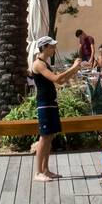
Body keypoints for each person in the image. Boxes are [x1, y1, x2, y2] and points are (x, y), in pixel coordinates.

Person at [29, 36, 86, 182]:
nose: (54, 49)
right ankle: (38, 172)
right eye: (52, 46)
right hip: (44, 104)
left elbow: (60, 81)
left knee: (50, 136)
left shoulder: (45, 63)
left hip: (51, 103)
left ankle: (46, 170)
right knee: (44, 137)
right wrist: (73, 68)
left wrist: (74, 70)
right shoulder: (39, 64)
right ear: (45, 47)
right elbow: (56, 79)